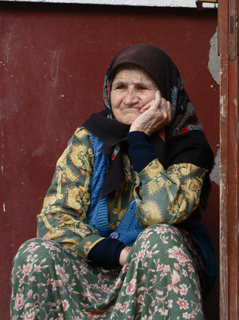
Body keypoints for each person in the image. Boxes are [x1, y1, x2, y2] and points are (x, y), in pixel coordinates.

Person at [10, 44, 216, 319]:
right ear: (108, 91)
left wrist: (139, 139)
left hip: (159, 266)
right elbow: (54, 220)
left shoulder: (187, 144)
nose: (129, 98)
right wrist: (117, 253)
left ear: (166, 94)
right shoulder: (88, 139)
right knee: (33, 253)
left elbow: (162, 213)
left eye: (141, 87)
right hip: (98, 263)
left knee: (160, 238)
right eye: (120, 87)